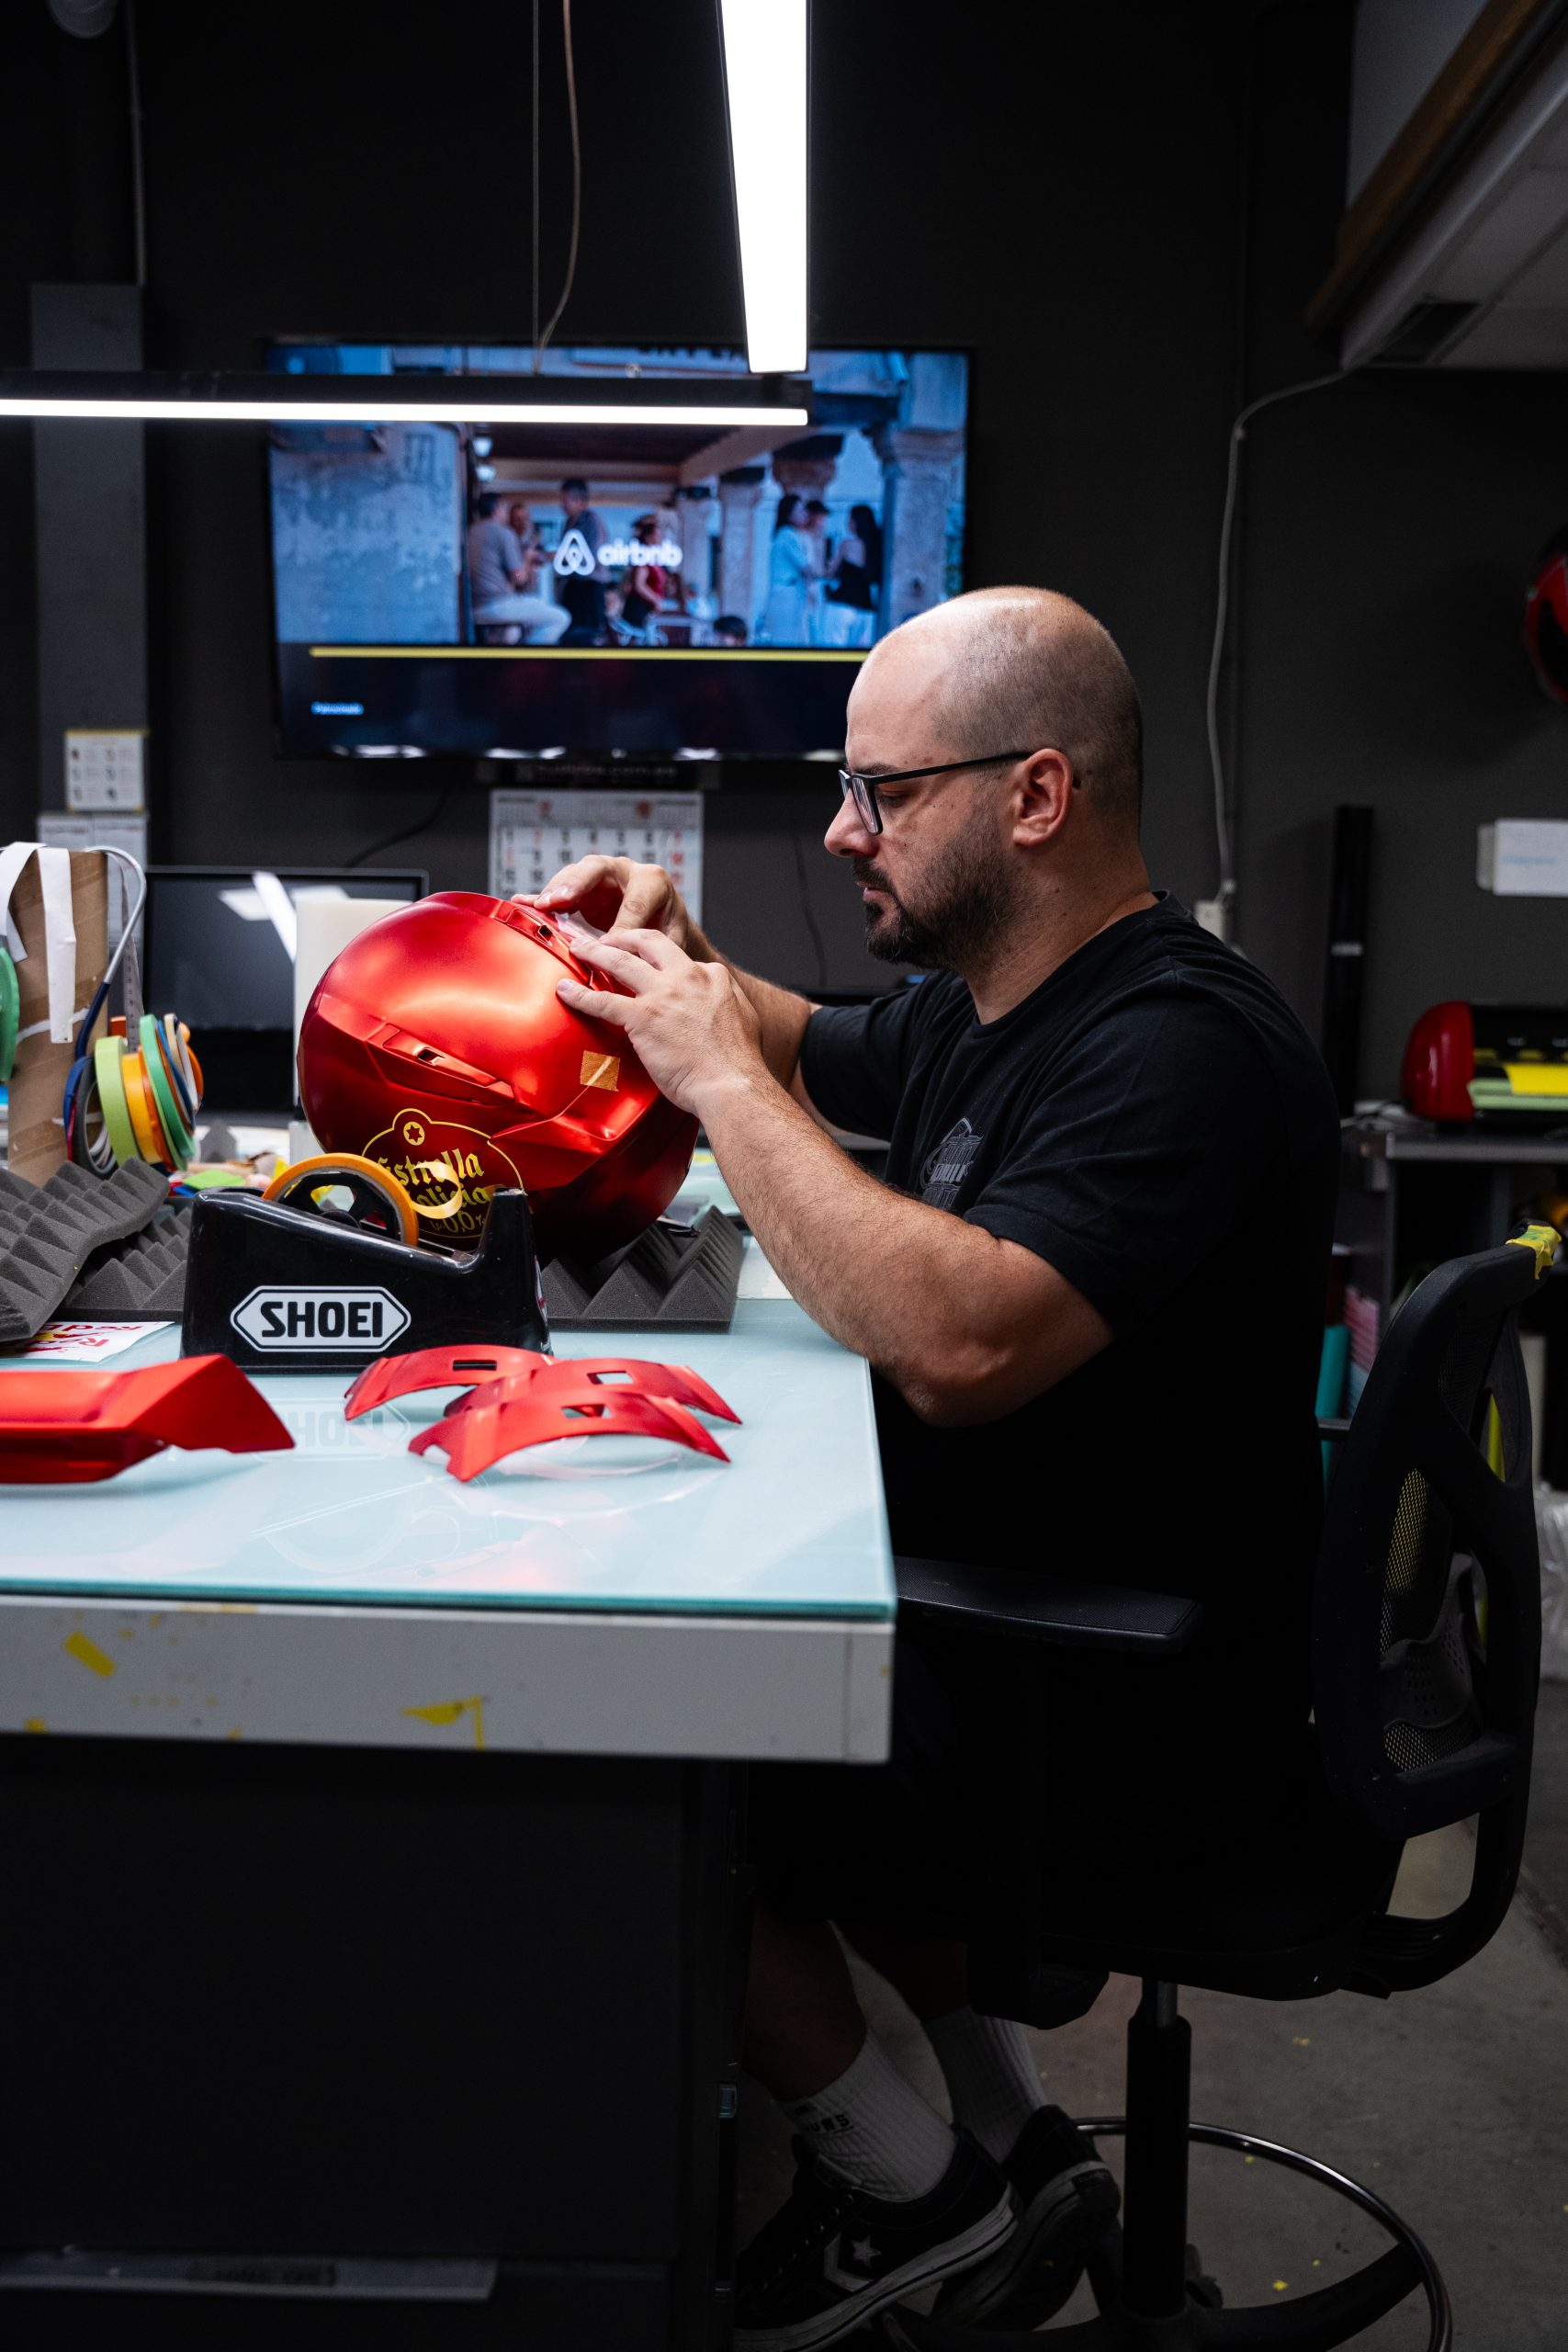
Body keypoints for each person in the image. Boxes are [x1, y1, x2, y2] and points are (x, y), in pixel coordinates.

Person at [527, 587, 1340, 2346]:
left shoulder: (1176, 1045)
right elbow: (792, 1030)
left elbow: (958, 1347)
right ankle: (1011, 2143)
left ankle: (912, 2202)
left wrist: (721, 1091)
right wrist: (673, 963)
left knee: (624, 1734)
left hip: (1125, 1709)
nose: (842, 832)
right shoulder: (1001, 1007)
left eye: (880, 793)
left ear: (1034, 796)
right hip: (1042, 1638)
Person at [466, 492, 569, 645]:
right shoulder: (503, 533)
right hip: (497, 604)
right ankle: (528, 656)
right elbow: (519, 578)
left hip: (476, 606)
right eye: (505, 509)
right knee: (560, 618)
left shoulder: (472, 531)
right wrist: (527, 559)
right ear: (497, 508)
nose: (506, 513)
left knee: (528, 614)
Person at [761, 492, 820, 644]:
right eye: (800, 510)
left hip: (789, 593)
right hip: (786, 594)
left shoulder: (790, 534)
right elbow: (806, 568)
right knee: (787, 639)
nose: (804, 514)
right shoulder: (787, 535)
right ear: (788, 514)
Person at [554, 476, 609, 640]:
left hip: (589, 586)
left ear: (579, 500)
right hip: (574, 584)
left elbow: (589, 558)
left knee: (586, 634)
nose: (563, 505)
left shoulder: (591, 520)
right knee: (570, 632)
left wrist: (561, 557)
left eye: (566, 500)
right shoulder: (569, 522)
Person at [825, 502, 883, 648]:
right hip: (866, 608)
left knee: (834, 650)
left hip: (843, 604)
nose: (847, 522)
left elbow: (830, 573)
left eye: (850, 519)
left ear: (857, 522)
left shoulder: (847, 544)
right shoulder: (877, 547)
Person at [618, 512, 671, 641]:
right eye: (657, 535)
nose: (660, 538)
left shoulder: (658, 560)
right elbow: (639, 585)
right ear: (648, 537)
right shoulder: (642, 559)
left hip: (649, 610)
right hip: (639, 609)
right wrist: (655, 600)